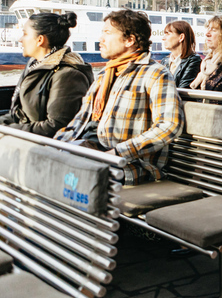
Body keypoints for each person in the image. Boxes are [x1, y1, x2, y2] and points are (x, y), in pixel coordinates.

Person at [55, 9, 184, 186]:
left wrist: (117, 152)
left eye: (107, 33)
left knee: (62, 177)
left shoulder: (156, 74)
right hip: (93, 151)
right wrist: (53, 146)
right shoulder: (105, 74)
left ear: (130, 40)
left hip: (129, 164)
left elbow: (169, 125)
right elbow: (80, 120)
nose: (101, 39)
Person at [0, 12, 93, 137]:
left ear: (40, 40)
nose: (20, 39)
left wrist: (8, 130)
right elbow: (19, 113)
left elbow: (56, 126)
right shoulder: (35, 65)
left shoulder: (67, 75)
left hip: (44, 148)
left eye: (25, 34)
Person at [160, 20, 201, 89]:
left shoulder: (193, 60)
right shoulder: (165, 61)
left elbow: (184, 89)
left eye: (168, 34)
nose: (163, 38)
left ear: (181, 37)